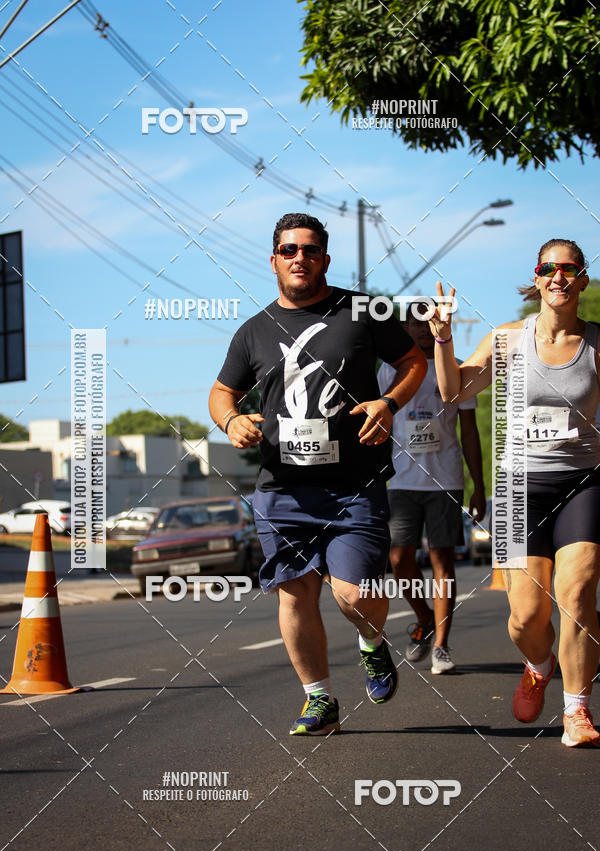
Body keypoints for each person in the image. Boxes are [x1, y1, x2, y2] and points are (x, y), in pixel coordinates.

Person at [209, 212, 427, 735]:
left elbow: (414, 361)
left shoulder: (364, 310)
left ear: (325, 259)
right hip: (281, 487)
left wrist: (389, 403)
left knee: (354, 594)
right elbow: (221, 393)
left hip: (354, 484)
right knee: (294, 591)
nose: (299, 258)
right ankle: (319, 699)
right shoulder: (253, 331)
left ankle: (372, 642)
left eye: (309, 250)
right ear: (274, 260)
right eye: (289, 250)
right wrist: (231, 420)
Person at [431, 238, 600, 747]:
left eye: (569, 268)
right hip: (519, 487)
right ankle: (538, 665)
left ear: (582, 279)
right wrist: (443, 339)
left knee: (577, 595)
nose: (558, 276)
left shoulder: (596, 343)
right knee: (527, 617)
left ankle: (577, 710)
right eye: (549, 267)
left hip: (583, 481)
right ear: (538, 277)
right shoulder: (507, 339)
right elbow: (455, 391)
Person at [377, 303, 486, 674]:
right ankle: (424, 617)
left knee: (442, 560)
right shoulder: (389, 371)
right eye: (416, 323)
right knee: (399, 559)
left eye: (430, 322)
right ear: (406, 328)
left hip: (446, 481)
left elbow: (469, 431)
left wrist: (478, 485)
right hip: (401, 481)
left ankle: (441, 645)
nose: (424, 329)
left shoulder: (455, 369)